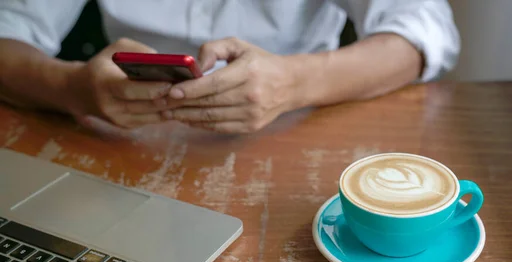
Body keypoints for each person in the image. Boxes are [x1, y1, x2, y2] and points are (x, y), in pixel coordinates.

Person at [0, 0, 460, 135]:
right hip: (119, 132)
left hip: (300, 127)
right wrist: (70, 87)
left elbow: (423, 32)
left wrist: (295, 82)